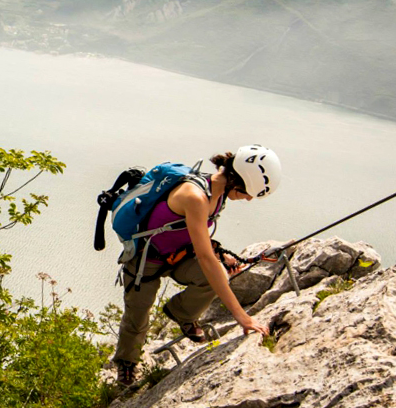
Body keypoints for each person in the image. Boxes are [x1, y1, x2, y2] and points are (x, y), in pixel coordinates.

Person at [113, 144, 280, 386]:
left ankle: (181, 313)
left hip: (178, 255)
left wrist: (221, 255)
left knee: (213, 277)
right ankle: (127, 362)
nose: (248, 198)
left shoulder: (218, 192)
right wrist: (242, 317)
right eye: (247, 192)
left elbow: (196, 232)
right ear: (238, 180)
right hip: (146, 259)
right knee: (137, 315)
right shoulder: (196, 196)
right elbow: (204, 259)